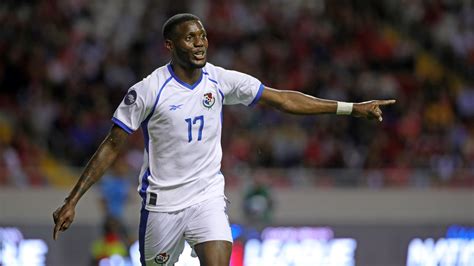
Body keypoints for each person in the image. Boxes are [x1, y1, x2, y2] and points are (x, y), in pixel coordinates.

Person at [53, 13, 395, 266]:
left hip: (207, 196)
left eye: (202, 36)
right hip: (162, 205)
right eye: (190, 38)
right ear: (170, 46)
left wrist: (352, 108)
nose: (200, 42)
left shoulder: (220, 80)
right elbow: (112, 144)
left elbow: (282, 99)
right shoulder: (148, 90)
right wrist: (72, 200)